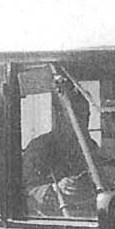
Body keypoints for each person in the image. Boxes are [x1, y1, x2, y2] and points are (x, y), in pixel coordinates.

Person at [22, 82, 97, 216]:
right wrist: (56, 188)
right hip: (53, 220)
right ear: (61, 117)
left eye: (86, 116)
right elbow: (26, 191)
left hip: (88, 215)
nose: (83, 122)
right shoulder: (40, 147)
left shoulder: (90, 146)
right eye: (77, 117)